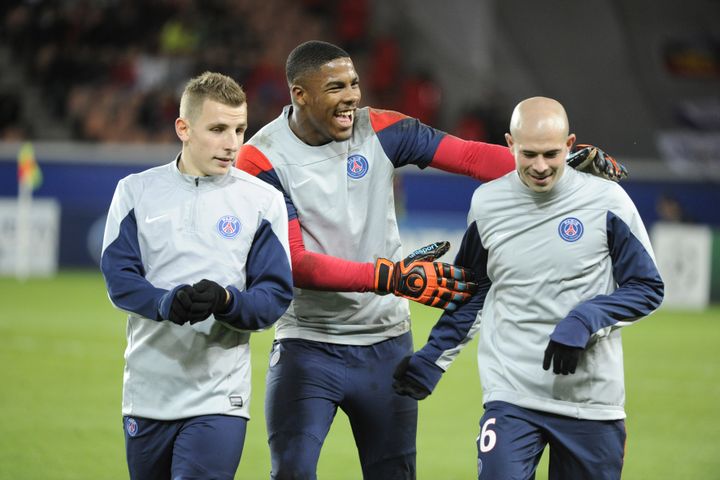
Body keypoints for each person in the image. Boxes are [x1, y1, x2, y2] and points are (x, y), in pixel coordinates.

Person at [235, 40, 628, 480]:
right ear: (299, 93)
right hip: (307, 345)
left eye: (354, 84)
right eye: (335, 87)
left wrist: (563, 162)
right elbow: (298, 264)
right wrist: (392, 278)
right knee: (291, 472)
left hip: (386, 343)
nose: (351, 97)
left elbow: (470, 156)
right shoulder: (260, 157)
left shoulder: (383, 129)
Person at [392, 96, 665, 480]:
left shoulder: (607, 201)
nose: (540, 167)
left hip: (591, 403)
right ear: (509, 144)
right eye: (529, 154)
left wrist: (587, 319)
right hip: (512, 395)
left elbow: (647, 287)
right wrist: (433, 358)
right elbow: (474, 290)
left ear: (570, 145)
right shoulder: (487, 204)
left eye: (551, 154)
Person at [100, 71, 293, 480]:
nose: (233, 143)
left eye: (240, 129)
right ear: (183, 128)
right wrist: (164, 303)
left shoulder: (263, 201)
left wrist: (227, 302)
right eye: (218, 129)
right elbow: (120, 280)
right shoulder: (135, 191)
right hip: (147, 395)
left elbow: (274, 297)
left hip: (219, 397)